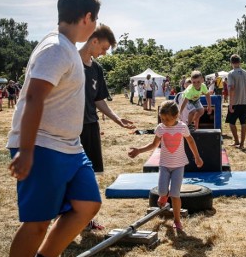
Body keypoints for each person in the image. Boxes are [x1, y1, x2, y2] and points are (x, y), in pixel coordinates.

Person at [1, 0, 102, 257]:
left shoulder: (68, 48)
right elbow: (32, 97)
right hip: (43, 145)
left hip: (69, 148)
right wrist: (26, 150)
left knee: (88, 205)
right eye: (96, 20)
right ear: (87, 17)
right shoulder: (56, 48)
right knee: (37, 223)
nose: (96, 25)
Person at [79, 25, 135, 231]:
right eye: (103, 48)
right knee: (70, 174)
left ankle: (85, 220)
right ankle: (68, 219)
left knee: (89, 174)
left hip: (91, 126)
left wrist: (117, 119)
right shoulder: (70, 62)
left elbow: (99, 100)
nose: (104, 53)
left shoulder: (96, 69)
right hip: (70, 129)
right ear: (93, 41)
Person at [128, 100, 203, 231]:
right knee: (162, 191)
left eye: (167, 119)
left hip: (179, 165)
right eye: (162, 118)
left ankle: (177, 220)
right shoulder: (160, 128)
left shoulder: (182, 127)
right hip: (164, 165)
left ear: (176, 116)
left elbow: (190, 141)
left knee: (175, 194)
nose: (164, 121)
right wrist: (139, 150)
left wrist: (197, 156)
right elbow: (153, 145)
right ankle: (164, 195)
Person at [225, 54, 246, 148]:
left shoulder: (231, 73)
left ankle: (236, 141)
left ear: (231, 62)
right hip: (245, 102)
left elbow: (231, 89)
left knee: (232, 123)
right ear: (240, 62)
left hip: (235, 102)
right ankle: (242, 144)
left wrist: (230, 104)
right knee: (243, 123)